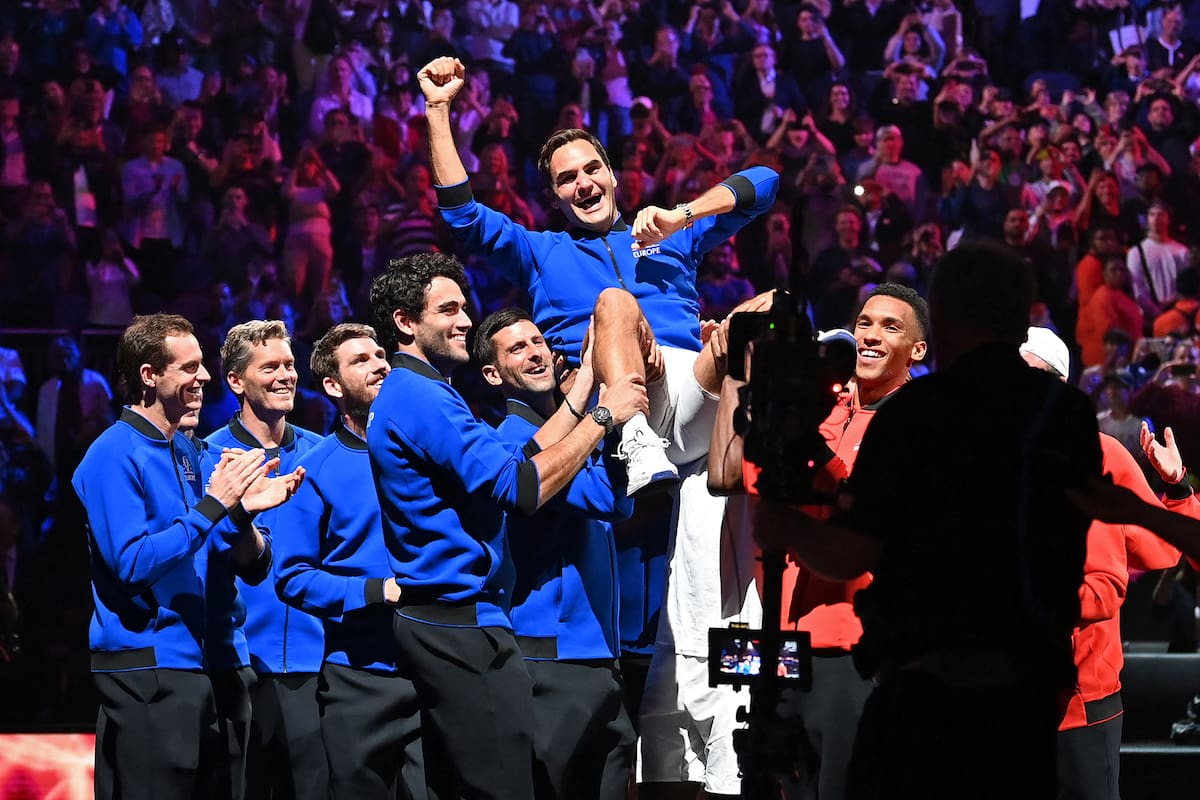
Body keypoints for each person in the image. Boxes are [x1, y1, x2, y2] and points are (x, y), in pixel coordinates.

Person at [755, 243, 1103, 799]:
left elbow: (854, 553)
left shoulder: (915, 414)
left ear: (938, 319)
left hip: (925, 693)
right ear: (1022, 318)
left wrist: (785, 528)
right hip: (1027, 701)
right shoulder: (1067, 416)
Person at [418, 56, 779, 495]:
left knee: (774, 304)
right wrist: (438, 110)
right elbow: (463, 217)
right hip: (613, 411)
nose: (584, 183)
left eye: (592, 169)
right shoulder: (541, 252)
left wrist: (683, 214)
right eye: (567, 179)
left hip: (692, 389)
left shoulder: (670, 233)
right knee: (613, 301)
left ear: (612, 175)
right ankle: (635, 436)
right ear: (554, 199)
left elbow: (764, 182)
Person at [366, 252, 649, 800]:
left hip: (452, 621)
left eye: (464, 307)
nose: (465, 320)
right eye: (448, 309)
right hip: (459, 622)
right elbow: (521, 487)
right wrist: (603, 415)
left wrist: (589, 382)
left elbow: (523, 459)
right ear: (405, 321)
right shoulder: (421, 396)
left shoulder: (418, 394)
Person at [707, 284, 928, 800]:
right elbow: (724, 473)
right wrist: (741, 373)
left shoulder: (919, 423)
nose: (870, 336)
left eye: (890, 327)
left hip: (852, 650)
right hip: (781, 643)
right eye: (865, 323)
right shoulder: (820, 406)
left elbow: (856, 511)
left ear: (918, 350)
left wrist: (809, 444)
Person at [72, 313, 302, 800]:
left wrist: (241, 515)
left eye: (202, 367)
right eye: (190, 367)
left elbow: (246, 563)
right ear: (149, 376)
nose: (203, 377)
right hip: (149, 670)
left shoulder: (189, 451)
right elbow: (132, 562)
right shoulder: (112, 453)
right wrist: (214, 507)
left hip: (213, 665)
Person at [474, 306, 636, 800]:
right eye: (517, 348)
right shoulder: (512, 440)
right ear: (492, 373)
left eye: (538, 341)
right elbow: (608, 501)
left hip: (597, 656)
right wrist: (603, 409)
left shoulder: (571, 433)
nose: (535, 352)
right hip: (551, 656)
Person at [1019, 326, 1181, 800]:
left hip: (1080, 693)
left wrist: (1177, 490)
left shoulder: (1100, 453)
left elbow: (1155, 552)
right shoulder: (979, 457)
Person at [272, 322, 425, 799]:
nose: (380, 363)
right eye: (361, 360)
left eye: (381, 354)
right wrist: (377, 590)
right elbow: (292, 578)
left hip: (434, 667)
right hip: (357, 679)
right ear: (333, 386)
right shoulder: (314, 468)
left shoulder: (430, 450)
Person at [205, 320, 327, 800]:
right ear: (236, 381)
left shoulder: (322, 454)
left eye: (290, 365)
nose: (285, 375)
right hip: (239, 668)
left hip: (314, 667)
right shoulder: (207, 457)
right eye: (270, 366)